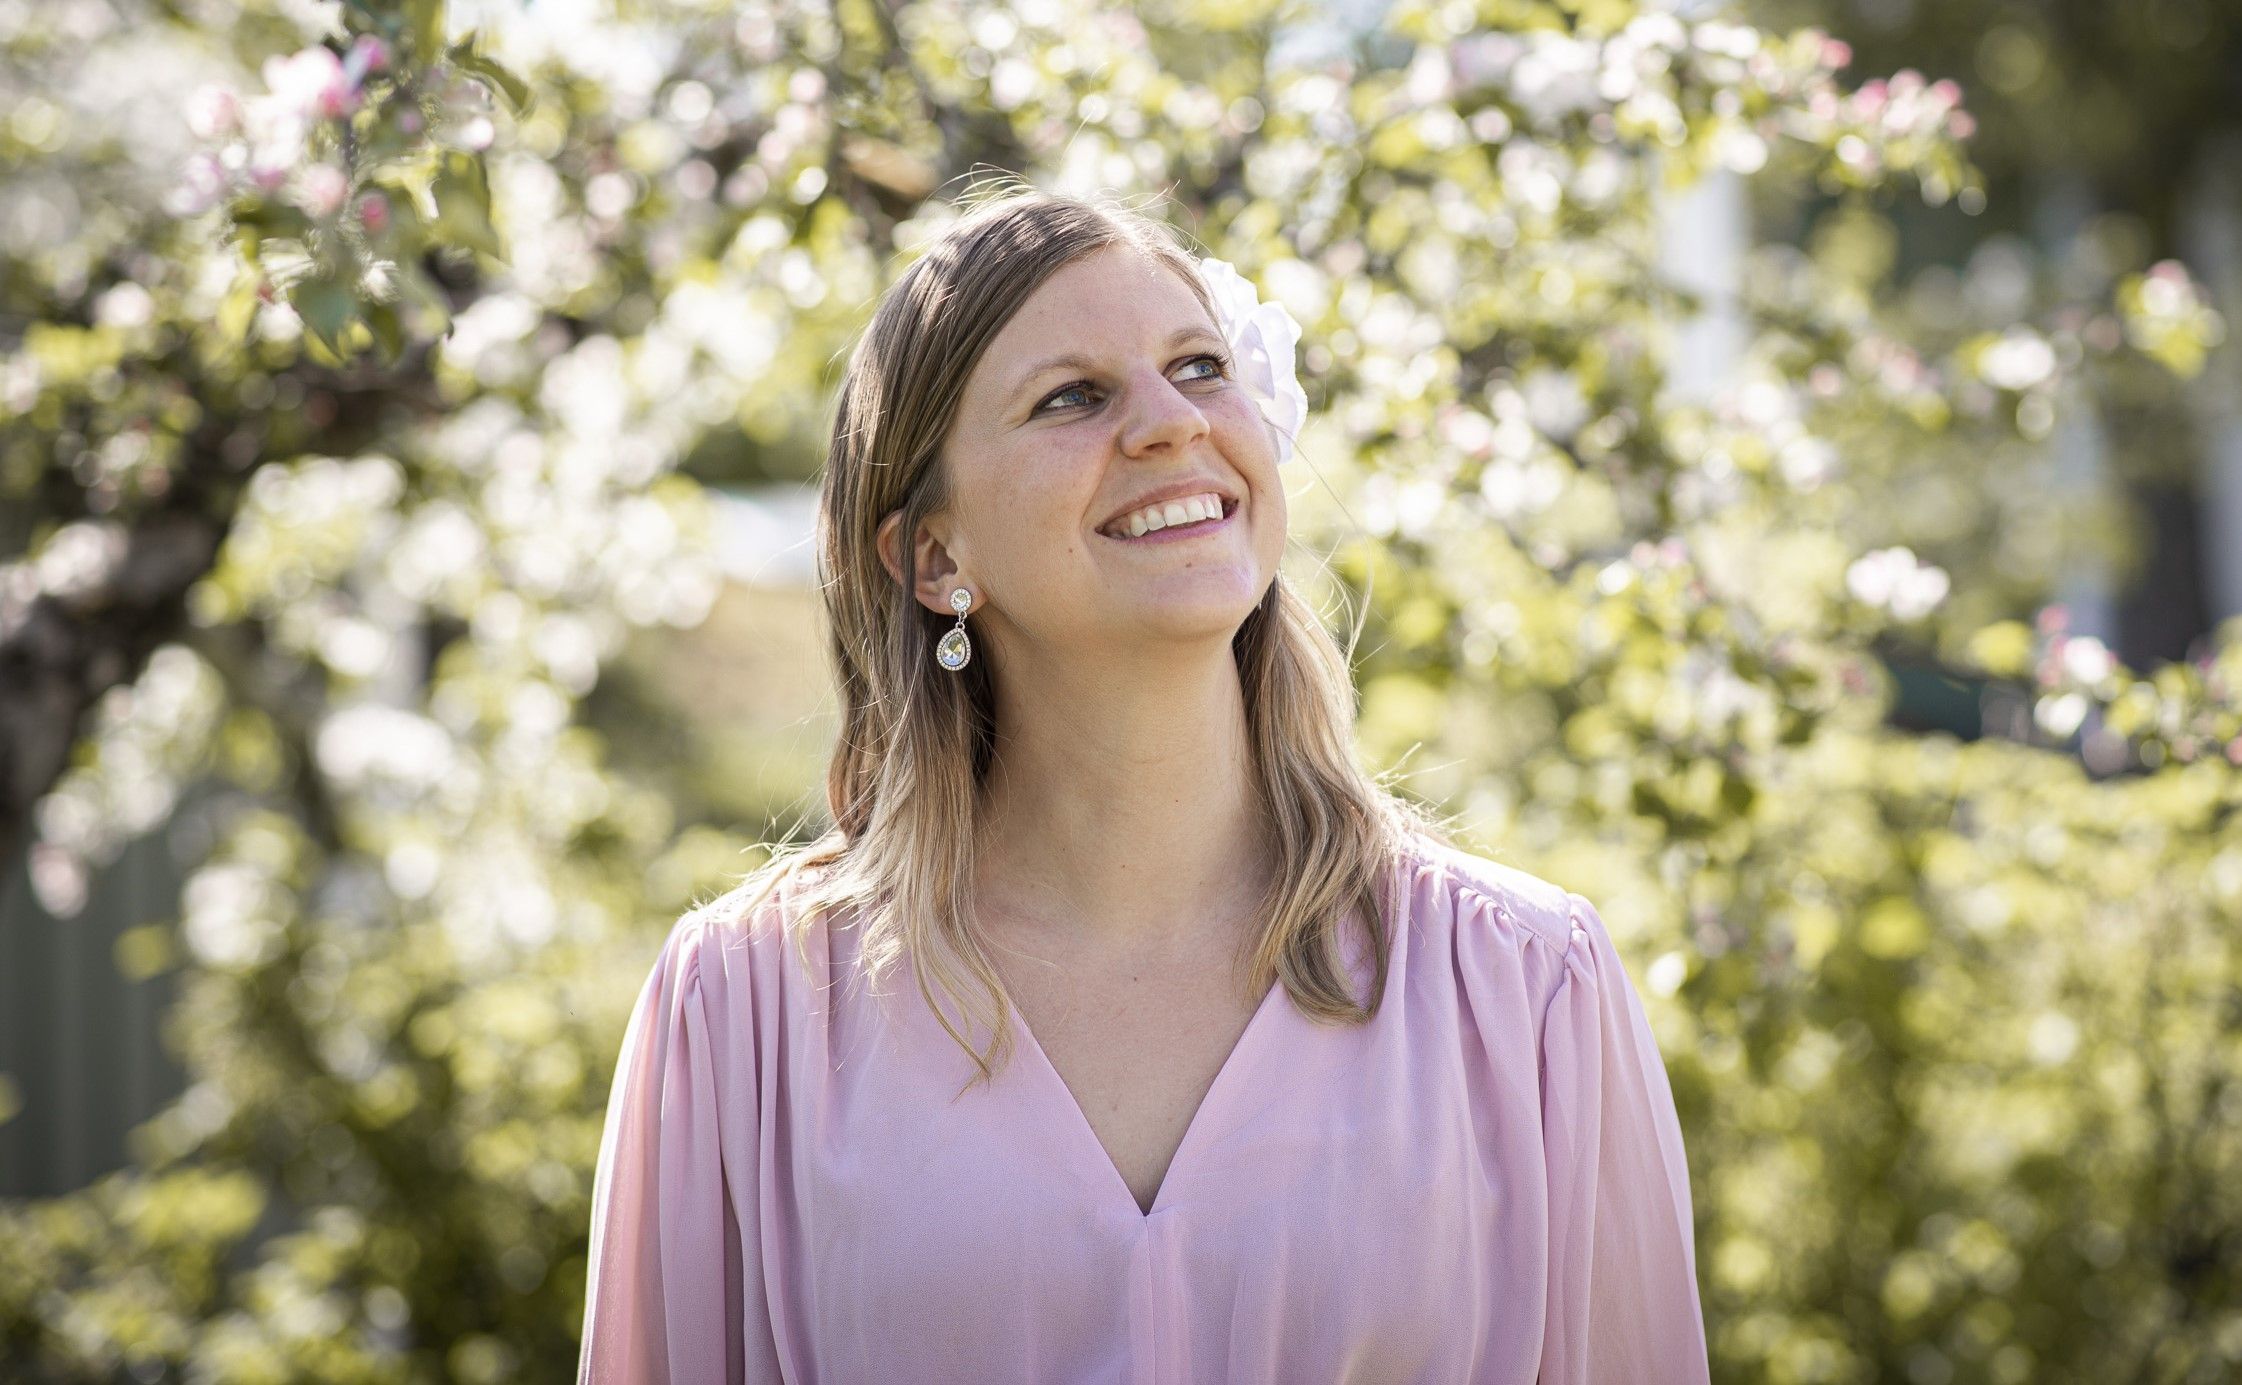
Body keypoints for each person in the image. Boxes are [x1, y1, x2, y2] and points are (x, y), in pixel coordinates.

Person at [575, 185, 1710, 1384]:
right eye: (1073, 396)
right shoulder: (747, 1012)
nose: (1173, 424)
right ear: (934, 554)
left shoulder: (1527, 990)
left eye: (1202, 367)